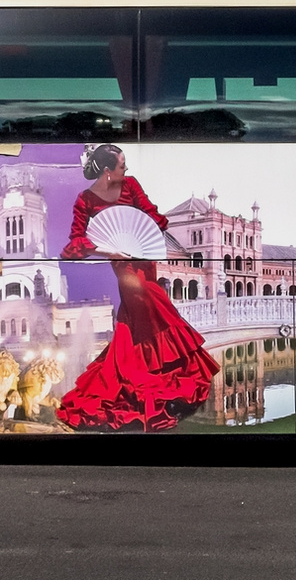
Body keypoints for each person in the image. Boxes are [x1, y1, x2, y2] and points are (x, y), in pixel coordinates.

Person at [55, 143, 218, 432]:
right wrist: (110, 251)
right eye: (121, 164)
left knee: (138, 321)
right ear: (107, 171)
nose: (126, 168)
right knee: (155, 312)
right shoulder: (85, 200)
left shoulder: (130, 185)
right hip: (124, 267)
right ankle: (149, 380)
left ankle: (144, 376)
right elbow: (74, 244)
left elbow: (153, 216)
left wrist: (149, 224)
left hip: (144, 258)